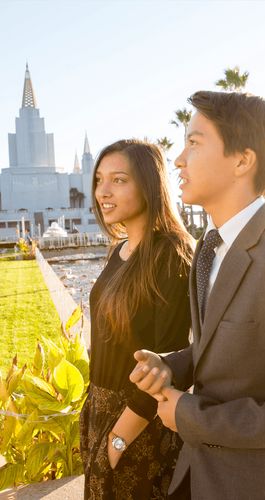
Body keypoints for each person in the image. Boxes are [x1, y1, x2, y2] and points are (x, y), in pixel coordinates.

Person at [129, 91, 265, 500]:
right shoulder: (208, 247)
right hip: (195, 474)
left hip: (254, 486)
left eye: (194, 142)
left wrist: (190, 415)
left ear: (243, 160)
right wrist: (171, 366)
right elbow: (220, 346)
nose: (179, 160)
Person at [79, 139, 193, 499]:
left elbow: (168, 362)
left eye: (118, 180)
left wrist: (117, 442)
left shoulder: (170, 254)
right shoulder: (121, 251)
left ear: (149, 184)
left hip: (139, 424)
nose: (103, 191)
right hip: (100, 409)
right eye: (99, 180)